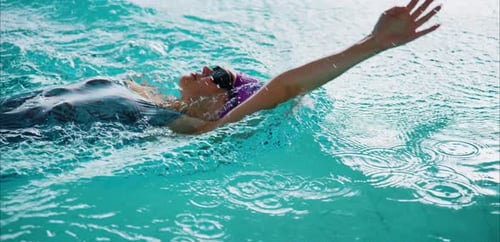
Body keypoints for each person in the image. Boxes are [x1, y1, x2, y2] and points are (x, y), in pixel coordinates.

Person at [0, 0, 441, 134]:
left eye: (223, 78)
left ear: (220, 107)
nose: (209, 69)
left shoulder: (180, 125)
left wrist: (372, 43)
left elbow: (284, 88)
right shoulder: (148, 95)